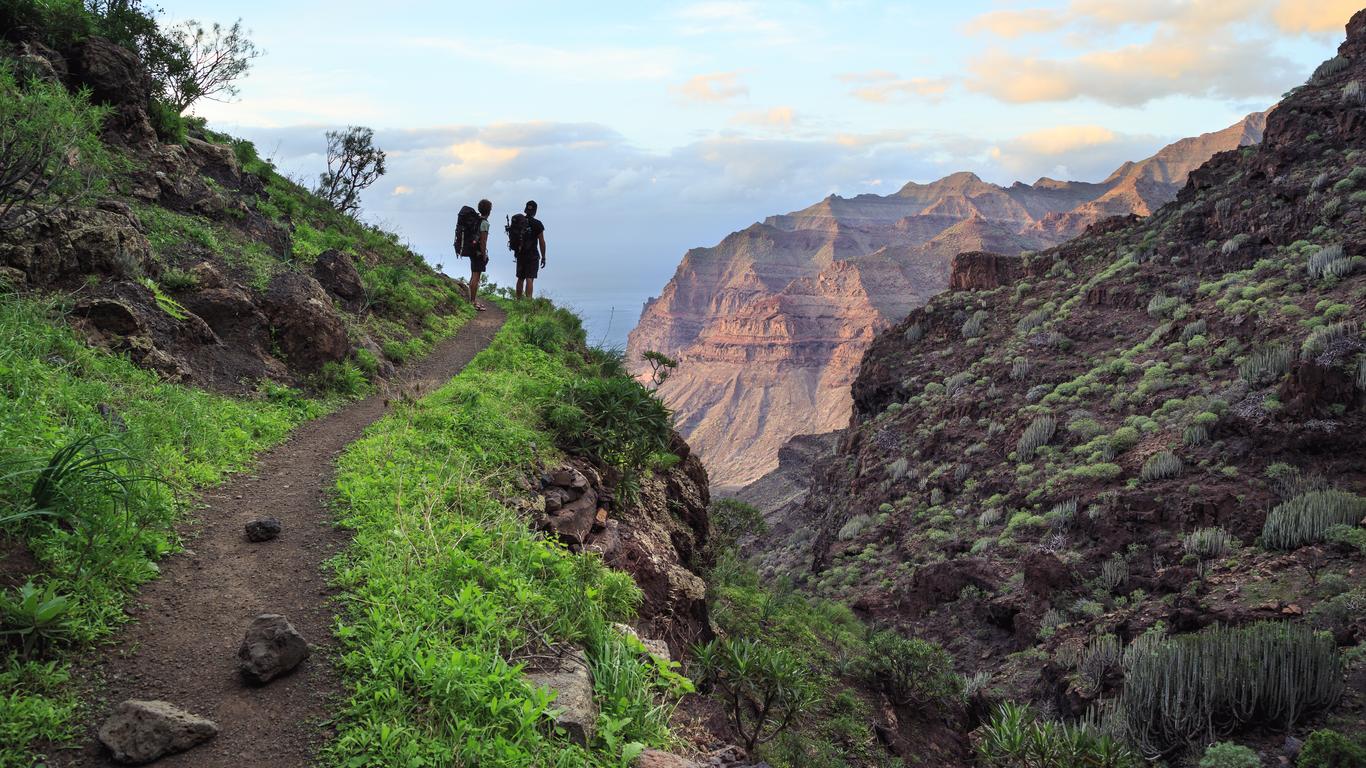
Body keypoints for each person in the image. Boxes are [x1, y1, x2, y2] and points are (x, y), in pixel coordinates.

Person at [513, 200, 546, 300]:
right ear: (535, 211)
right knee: (529, 278)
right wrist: (543, 257)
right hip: (532, 255)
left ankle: (518, 301)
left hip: (520, 253)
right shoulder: (537, 224)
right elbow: (542, 242)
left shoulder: (519, 222)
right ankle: (528, 302)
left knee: (520, 278)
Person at [469, 198, 492, 311]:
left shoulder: (476, 220)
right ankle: (473, 302)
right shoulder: (484, 223)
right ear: (489, 210)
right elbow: (483, 241)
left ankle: (472, 300)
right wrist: (484, 255)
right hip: (478, 253)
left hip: (472, 251)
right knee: (476, 277)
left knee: (473, 275)